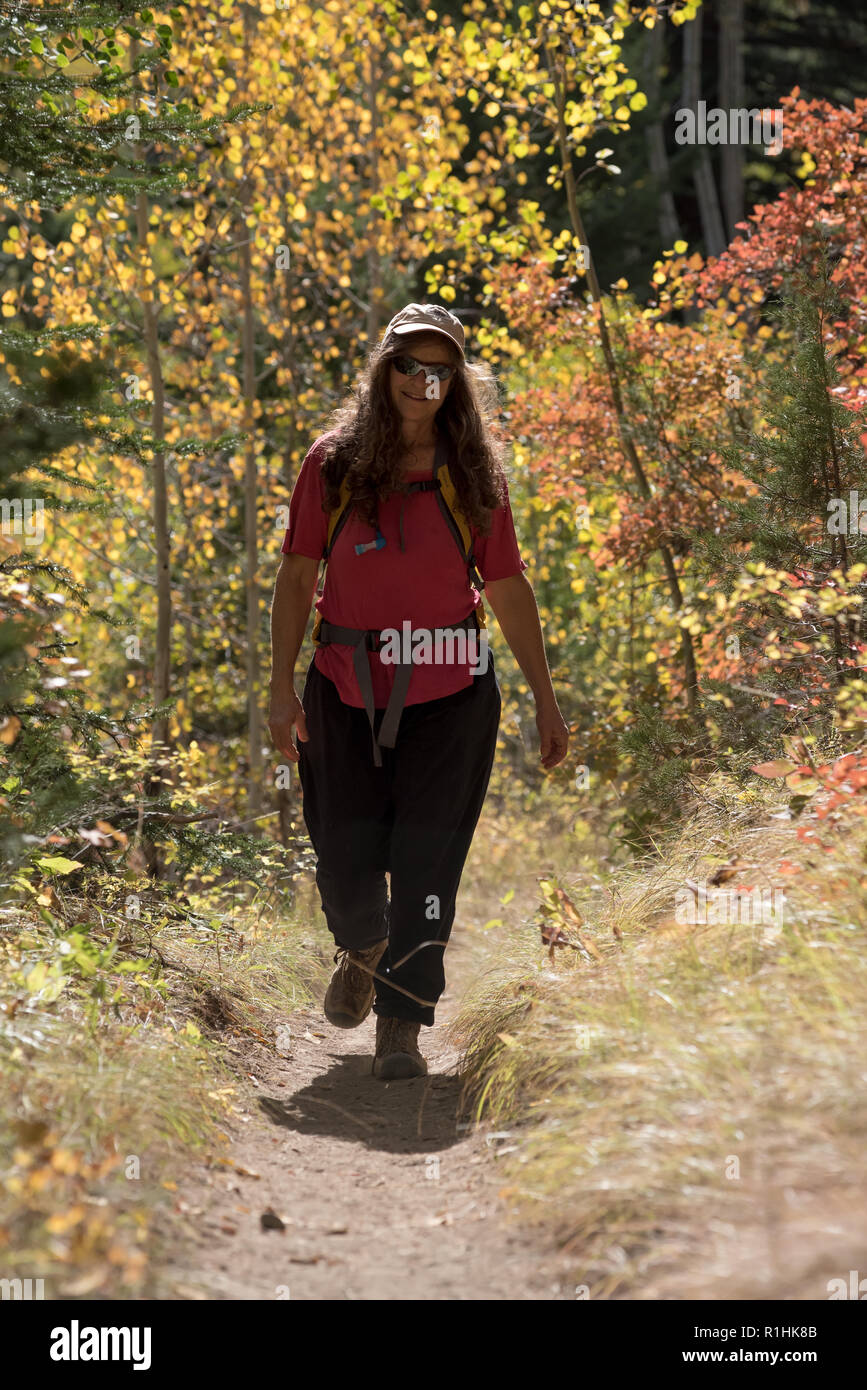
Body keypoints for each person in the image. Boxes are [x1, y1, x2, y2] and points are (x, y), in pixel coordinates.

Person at [268, 303, 569, 1080]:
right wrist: (278, 688)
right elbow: (299, 574)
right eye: (409, 365)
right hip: (342, 687)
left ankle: (402, 1021)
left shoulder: (471, 471)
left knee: (427, 862)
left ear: (456, 384)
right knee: (342, 854)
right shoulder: (331, 463)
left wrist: (545, 696)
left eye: (440, 370)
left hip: (451, 695)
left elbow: (505, 584)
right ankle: (362, 943)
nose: (422, 381)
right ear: (385, 370)